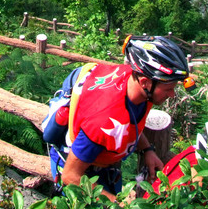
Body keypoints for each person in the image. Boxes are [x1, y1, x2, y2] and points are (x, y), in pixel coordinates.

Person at [42, 35, 192, 200]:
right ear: (145, 82)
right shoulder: (103, 121)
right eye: (168, 88)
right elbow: (71, 176)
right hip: (79, 166)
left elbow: (129, 121)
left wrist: (147, 149)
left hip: (102, 161)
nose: (172, 95)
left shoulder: (134, 83)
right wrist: (119, 205)